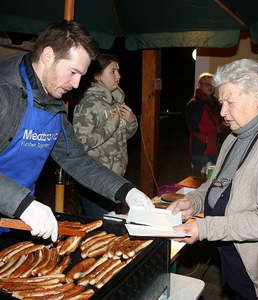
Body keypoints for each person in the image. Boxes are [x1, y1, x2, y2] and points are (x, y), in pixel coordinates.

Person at [0, 20, 153, 243]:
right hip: (21, 206)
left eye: (81, 74)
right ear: (48, 56)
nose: (76, 83)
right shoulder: (4, 92)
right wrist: (23, 204)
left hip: (19, 220)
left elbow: (77, 159)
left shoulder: (53, 103)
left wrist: (125, 191)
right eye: (73, 72)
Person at [169, 59, 258, 299]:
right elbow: (217, 183)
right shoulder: (234, 137)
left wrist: (205, 227)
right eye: (221, 103)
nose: (222, 112)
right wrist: (195, 201)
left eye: (230, 102)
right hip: (234, 262)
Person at [72, 54, 138, 216]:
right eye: (113, 71)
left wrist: (131, 121)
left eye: (118, 71)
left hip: (115, 180)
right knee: (100, 230)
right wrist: (110, 126)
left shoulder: (116, 102)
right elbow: (80, 143)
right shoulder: (88, 105)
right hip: (95, 180)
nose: (118, 76)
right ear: (98, 76)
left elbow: (124, 137)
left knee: (110, 227)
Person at [185, 72, 222, 175]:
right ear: (199, 85)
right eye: (206, 84)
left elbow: (218, 122)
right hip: (200, 149)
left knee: (212, 179)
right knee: (200, 180)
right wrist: (216, 128)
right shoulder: (195, 103)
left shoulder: (215, 103)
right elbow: (193, 127)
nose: (210, 87)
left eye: (212, 84)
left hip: (213, 148)